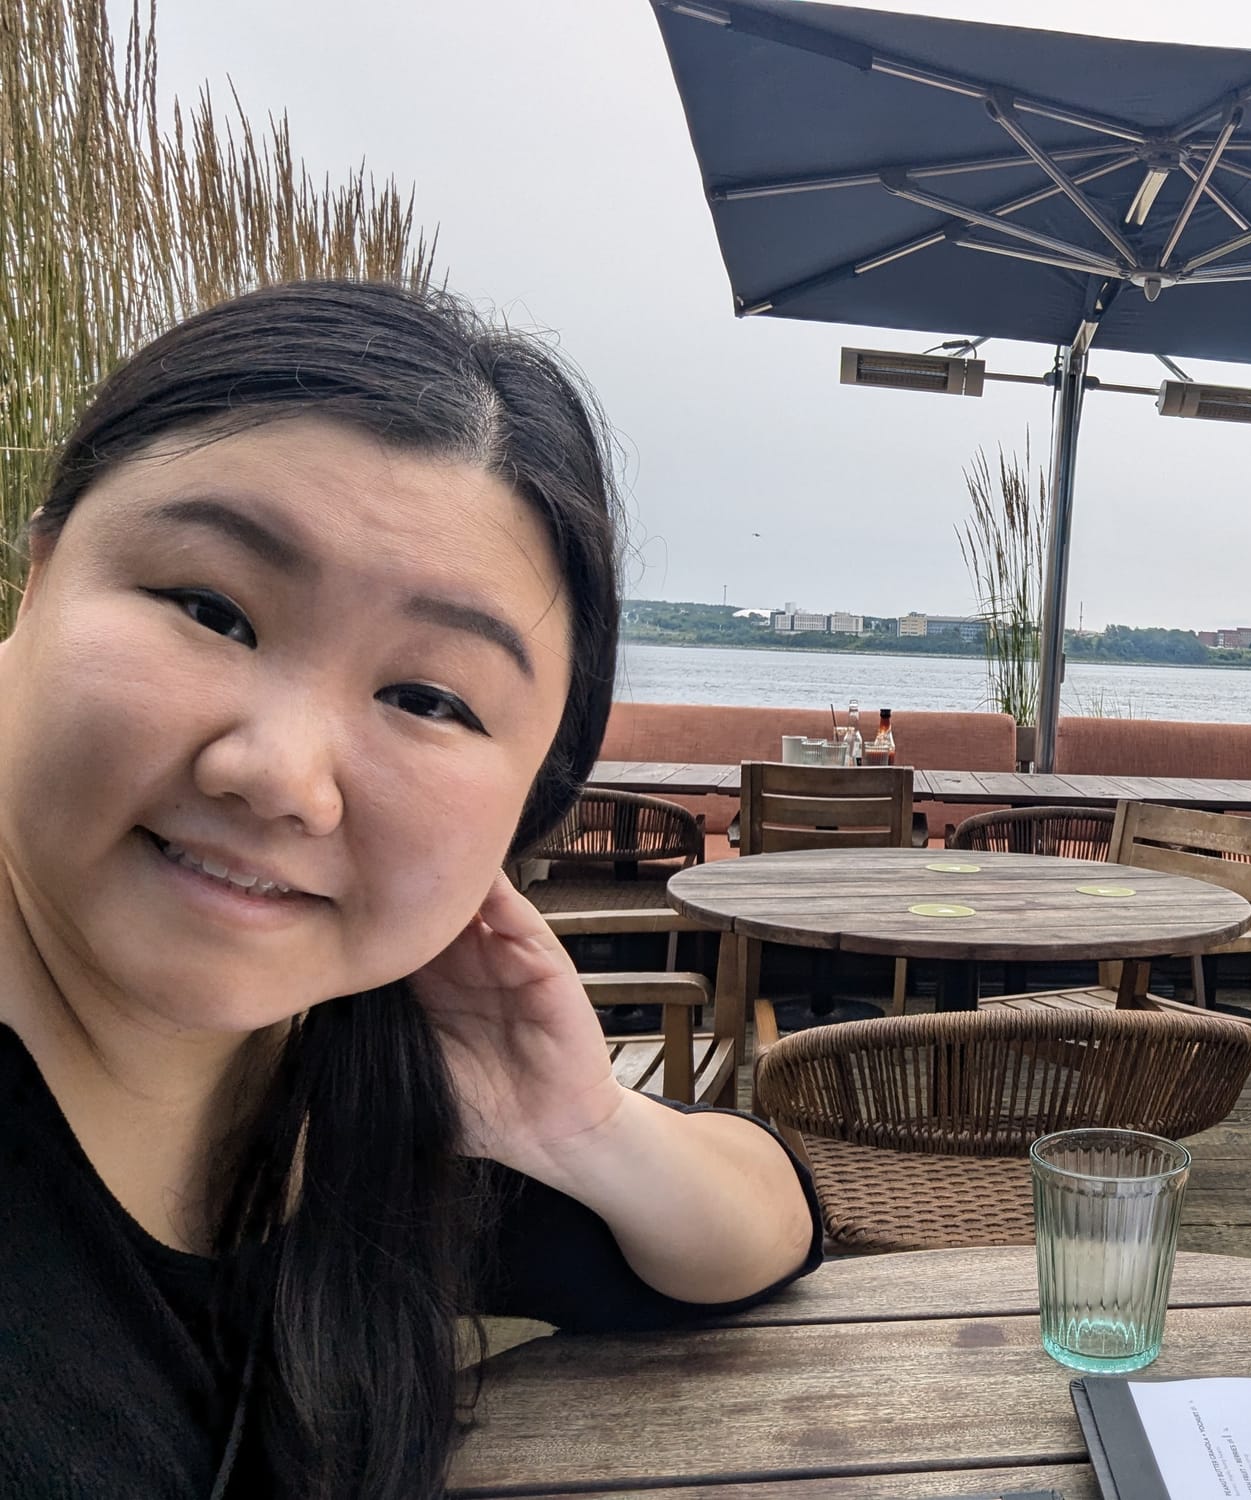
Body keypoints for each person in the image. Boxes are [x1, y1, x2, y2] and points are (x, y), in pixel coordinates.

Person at [0, 282, 821, 1499]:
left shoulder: (358, 1071)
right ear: (37, 581)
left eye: (428, 699)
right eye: (212, 611)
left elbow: (769, 1225)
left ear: (525, 807)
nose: (281, 777)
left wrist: (582, 1130)